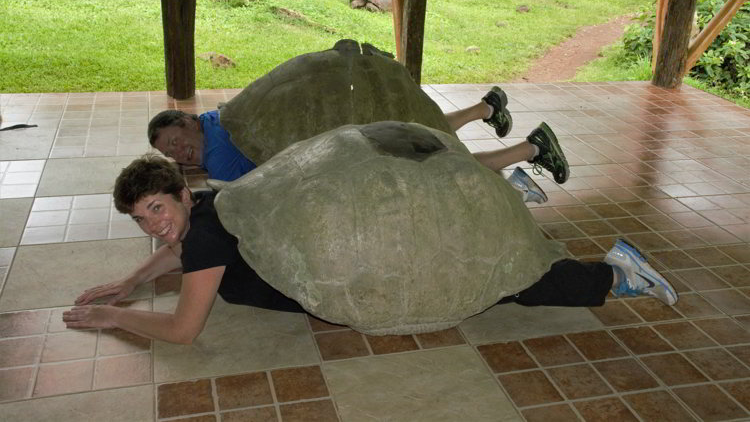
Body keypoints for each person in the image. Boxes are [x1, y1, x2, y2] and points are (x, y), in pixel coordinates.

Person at [62, 156, 676, 344]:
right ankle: (498, 197)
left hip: (351, 262)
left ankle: (612, 275)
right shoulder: (213, 200)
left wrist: (111, 316)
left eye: (158, 210)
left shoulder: (207, 241)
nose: (155, 227)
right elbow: (175, 252)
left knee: (506, 281)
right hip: (330, 246)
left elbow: (183, 330)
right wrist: (130, 280)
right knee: (494, 270)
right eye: (142, 220)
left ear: (179, 195)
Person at [148, 87, 564, 203]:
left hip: (336, 154)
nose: (178, 153)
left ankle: (530, 149)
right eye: (170, 154)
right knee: (418, 132)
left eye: (176, 142)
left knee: (434, 166)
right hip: (334, 127)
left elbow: (242, 193)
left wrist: (201, 171)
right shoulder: (221, 114)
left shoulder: (217, 154)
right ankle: (485, 110)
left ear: (187, 121)